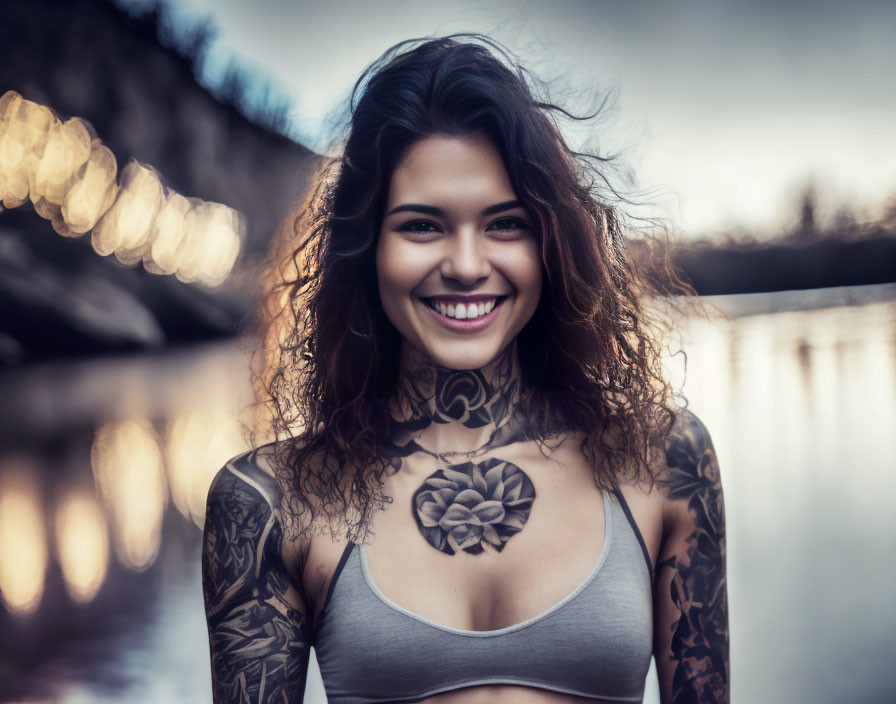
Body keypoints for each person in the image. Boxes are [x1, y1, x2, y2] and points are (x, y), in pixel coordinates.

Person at [201, 34, 729, 704]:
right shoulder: (271, 503)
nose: (468, 264)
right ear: (365, 248)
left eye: (505, 224)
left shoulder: (663, 460)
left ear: (551, 242)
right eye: (423, 226)